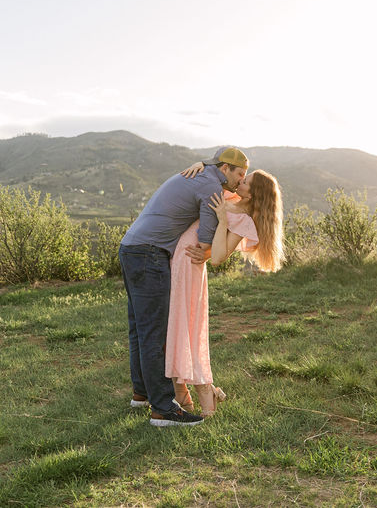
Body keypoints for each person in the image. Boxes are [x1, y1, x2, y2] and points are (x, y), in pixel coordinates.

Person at [118, 147, 248, 427]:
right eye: (240, 173)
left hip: (130, 247)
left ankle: (141, 393)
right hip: (150, 254)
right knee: (155, 332)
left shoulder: (202, 175)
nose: (241, 179)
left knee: (140, 328)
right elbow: (204, 241)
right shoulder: (212, 185)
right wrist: (208, 249)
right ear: (225, 168)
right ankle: (163, 409)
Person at [166, 163, 284, 416]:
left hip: (189, 266)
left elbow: (218, 256)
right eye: (241, 176)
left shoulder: (244, 221)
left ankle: (201, 393)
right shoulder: (230, 195)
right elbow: (217, 175)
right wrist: (205, 165)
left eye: (245, 181)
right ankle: (186, 392)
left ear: (252, 194)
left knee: (185, 326)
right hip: (179, 261)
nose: (239, 181)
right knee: (177, 325)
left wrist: (221, 221)